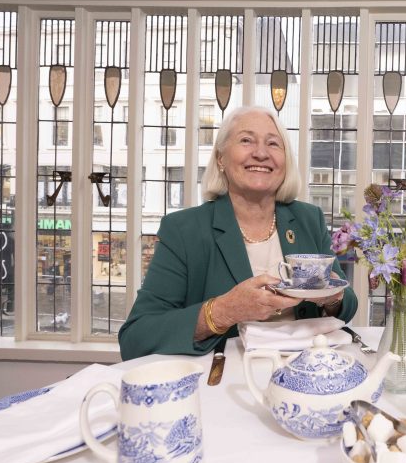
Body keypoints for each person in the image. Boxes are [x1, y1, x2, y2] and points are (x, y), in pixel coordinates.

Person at [119, 106, 357, 360]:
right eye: (246, 140)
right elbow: (136, 337)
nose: (261, 153)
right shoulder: (184, 230)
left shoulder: (308, 219)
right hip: (227, 380)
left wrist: (333, 297)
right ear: (221, 158)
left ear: (285, 161)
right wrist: (222, 312)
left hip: (307, 372)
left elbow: (347, 305)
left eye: (273, 144)